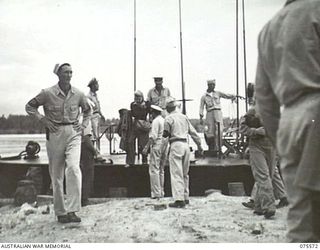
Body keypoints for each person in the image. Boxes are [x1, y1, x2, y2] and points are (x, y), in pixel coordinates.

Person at [255, 0, 320, 242]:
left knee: (302, 220)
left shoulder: (269, 29)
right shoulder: (316, 10)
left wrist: (281, 142)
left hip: (290, 122)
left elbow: (263, 98)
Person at [25, 63, 91, 223]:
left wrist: (83, 125)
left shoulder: (79, 94)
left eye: (71, 72)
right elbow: (29, 107)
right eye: (66, 72)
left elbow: (88, 110)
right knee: (56, 175)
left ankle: (73, 210)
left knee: (74, 169)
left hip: (73, 133)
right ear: (58, 74)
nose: (69, 75)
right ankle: (61, 212)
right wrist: (44, 120)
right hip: (54, 134)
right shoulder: (47, 93)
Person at [163, 97, 204, 208]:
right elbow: (193, 133)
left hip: (175, 145)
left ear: (167, 108)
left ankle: (179, 199)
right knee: (185, 173)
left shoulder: (168, 119)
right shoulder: (184, 117)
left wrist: (163, 151)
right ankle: (186, 197)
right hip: (185, 145)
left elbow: (165, 136)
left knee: (176, 173)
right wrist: (199, 145)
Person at [239, 106, 276, 219]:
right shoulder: (253, 111)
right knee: (263, 176)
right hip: (257, 145)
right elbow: (242, 128)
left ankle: (259, 206)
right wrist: (256, 131)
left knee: (270, 175)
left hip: (272, 145)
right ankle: (269, 206)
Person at [199, 79, 236, 154]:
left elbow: (226, 95)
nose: (212, 86)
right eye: (211, 85)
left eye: (214, 85)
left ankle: (218, 148)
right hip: (209, 113)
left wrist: (234, 96)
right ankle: (212, 149)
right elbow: (201, 107)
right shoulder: (204, 96)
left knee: (219, 130)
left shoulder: (218, 93)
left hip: (218, 112)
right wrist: (201, 117)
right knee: (210, 131)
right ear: (208, 85)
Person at [142, 105, 166, 199]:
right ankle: (161, 191)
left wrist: (146, 147)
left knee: (154, 169)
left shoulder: (156, 121)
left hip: (157, 145)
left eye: (151, 113)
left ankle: (156, 193)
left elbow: (153, 136)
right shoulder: (163, 120)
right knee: (161, 170)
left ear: (154, 112)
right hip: (164, 145)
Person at [126, 90, 150, 167]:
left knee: (143, 143)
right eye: (136, 97)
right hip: (135, 125)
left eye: (139, 97)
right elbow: (135, 114)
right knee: (130, 141)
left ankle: (144, 160)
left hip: (143, 125)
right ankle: (130, 161)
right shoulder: (133, 105)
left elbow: (148, 112)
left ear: (142, 97)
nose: (137, 98)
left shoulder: (147, 104)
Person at [80, 121, 99, 207]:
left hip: (79, 150)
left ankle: (80, 198)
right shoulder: (86, 122)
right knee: (88, 176)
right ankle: (85, 199)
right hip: (86, 152)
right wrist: (95, 152)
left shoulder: (78, 120)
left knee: (81, 175)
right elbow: (87, 140)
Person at [87, 78, 105, 151]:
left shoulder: (95, 96)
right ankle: (94, 152)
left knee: (97, 135)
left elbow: (98, 107)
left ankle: (97, 151)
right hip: (92, 117)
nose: (98, 86)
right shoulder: (89, 96)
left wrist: (102, 115)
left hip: (97, 117)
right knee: (94, 136)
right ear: (93, 86)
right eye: (97, 84)